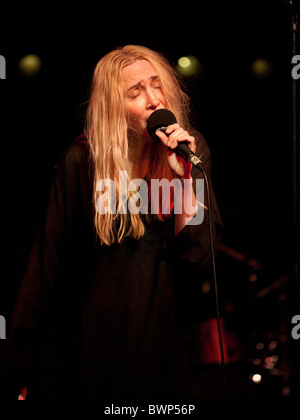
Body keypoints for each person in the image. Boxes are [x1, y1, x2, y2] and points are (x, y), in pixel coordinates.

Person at [0, 45, 223, 401]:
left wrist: (183, 181)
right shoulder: (84, 159)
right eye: (136, 92)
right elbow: (43, 266)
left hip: (157, 352)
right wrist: (15, 368)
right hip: (79, 354)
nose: (153, 100)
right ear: (112, 106)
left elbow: (198, 256)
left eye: (157, 85)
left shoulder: (191, 154)